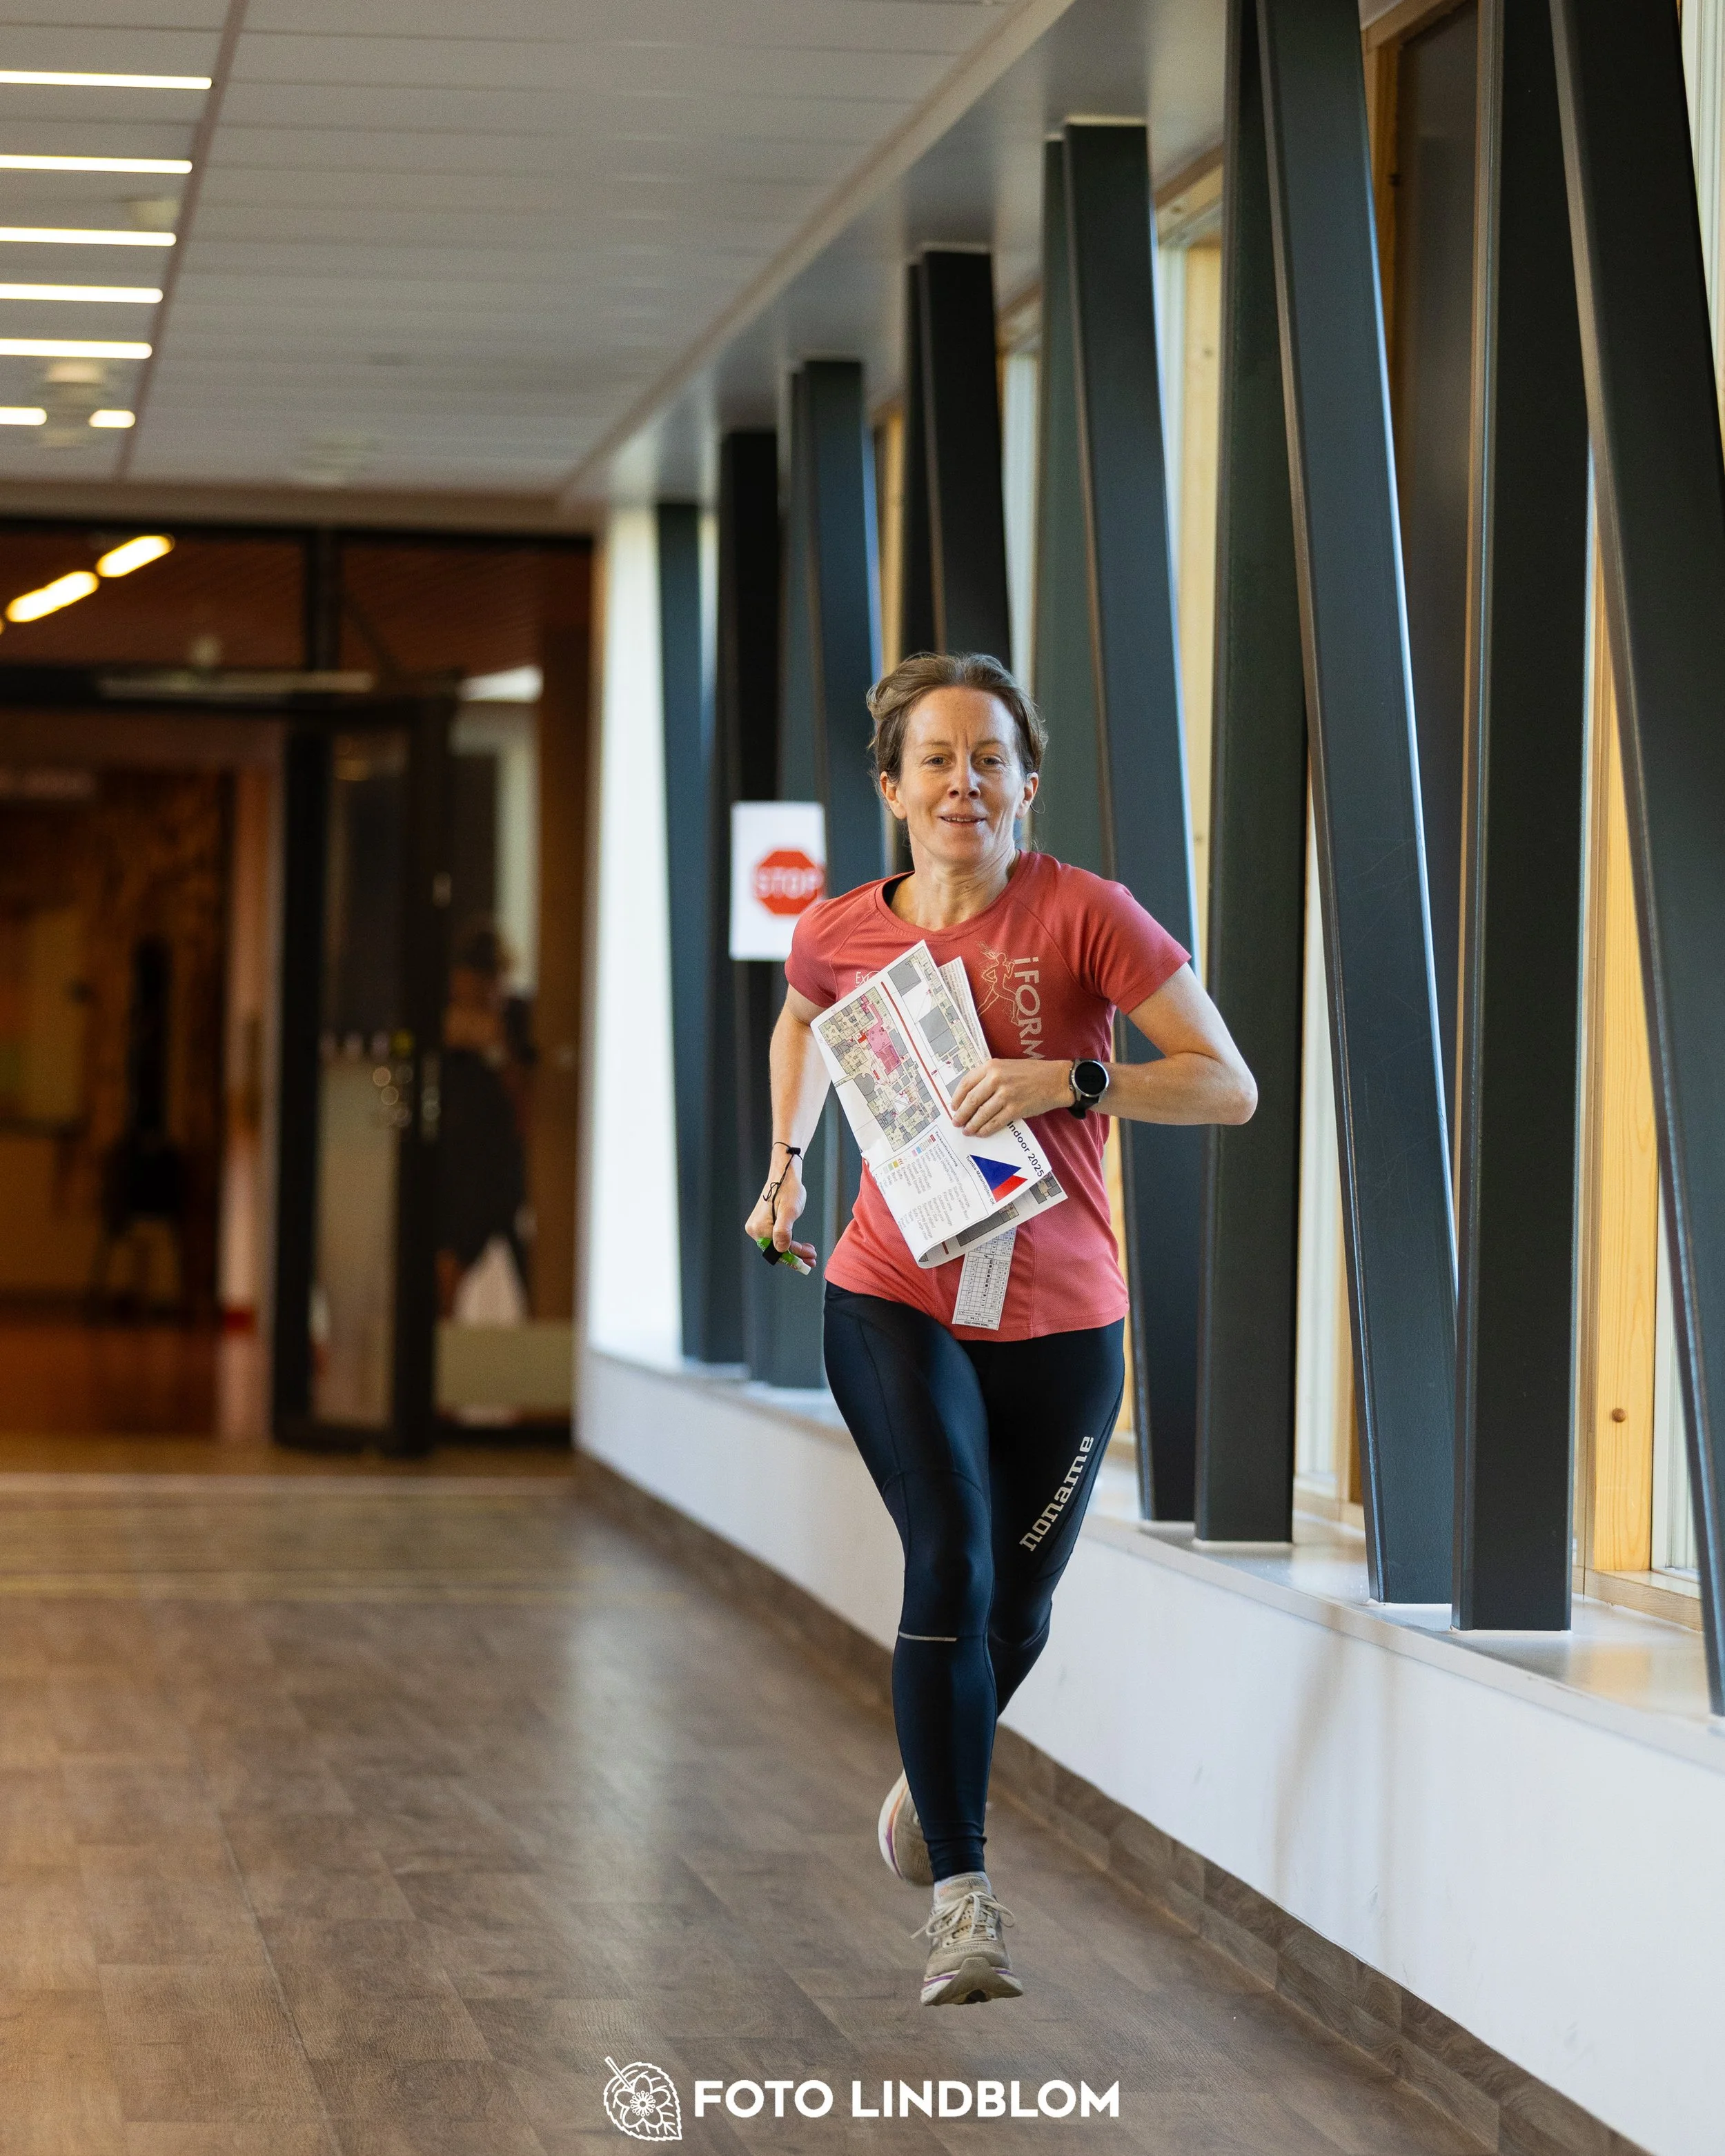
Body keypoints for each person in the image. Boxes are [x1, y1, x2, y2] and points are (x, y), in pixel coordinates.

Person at [744, 652, 1256, 2010]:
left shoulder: (1090, 915)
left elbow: (1226, 1084)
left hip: (1062, 1317)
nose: (960, 781)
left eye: (987, 758)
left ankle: (932, 1774)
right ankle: (962, 1905)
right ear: (891, 785)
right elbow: (801, 1014)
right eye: (934, 758)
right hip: (892, 1292)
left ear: (1025, 780)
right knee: (953, 1554)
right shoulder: (842, 927)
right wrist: (788, 1160)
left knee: (1016, 1605)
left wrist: (1075, 1076)